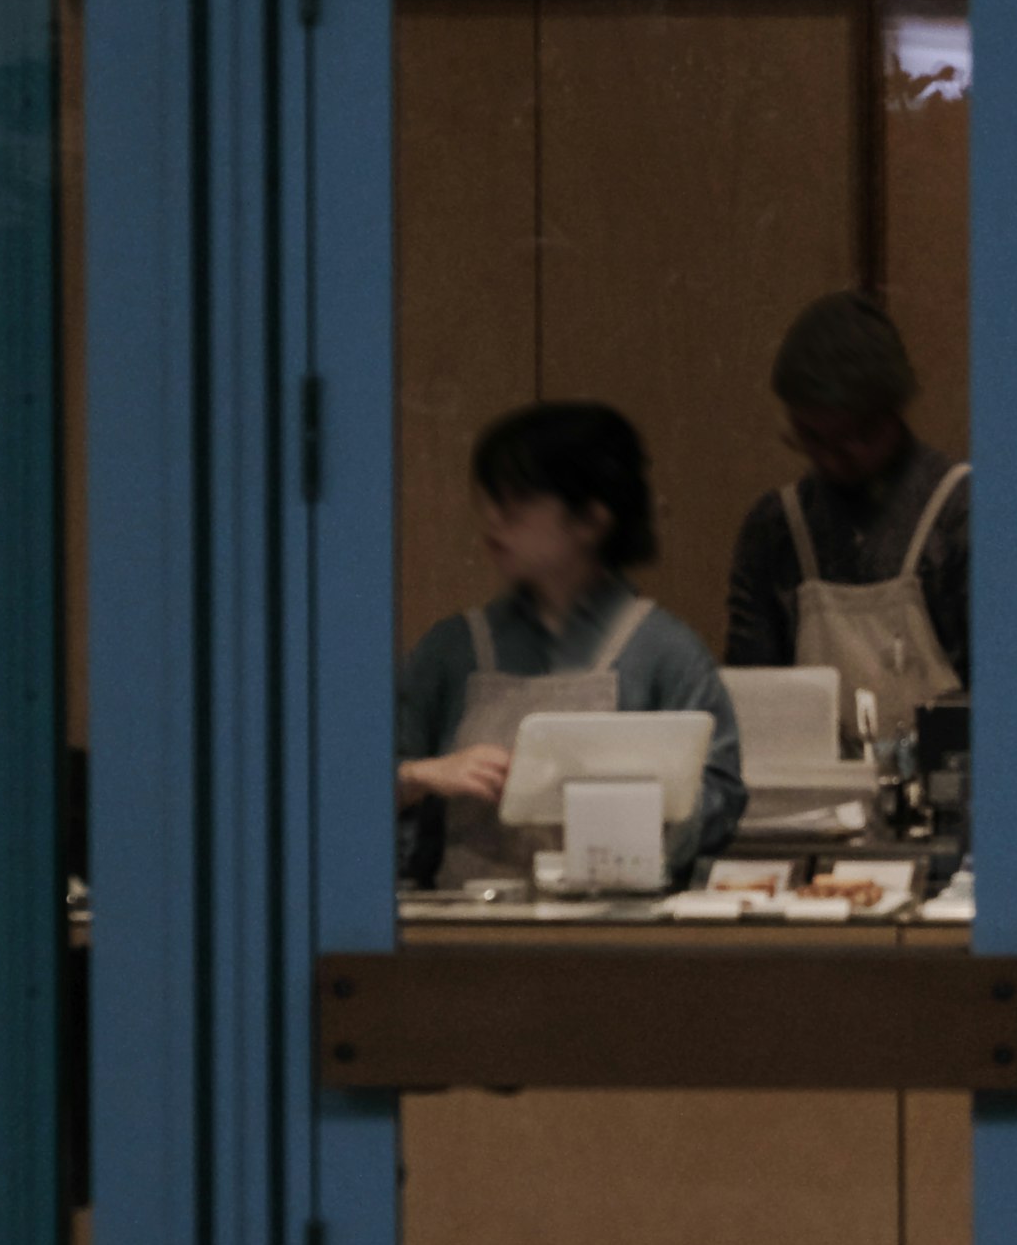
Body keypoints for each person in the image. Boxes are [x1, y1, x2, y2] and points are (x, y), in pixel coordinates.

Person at [398, 401, 745, 888]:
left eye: (515, 501)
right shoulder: (451, 650)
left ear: (590, 519)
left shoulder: (665, 651)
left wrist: (643, 814)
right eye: (489, 500)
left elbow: (722, 796)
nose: (493, 519)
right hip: (464, 930)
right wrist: (419, 776)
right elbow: (357, 793)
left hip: (616, 935)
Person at [723, 290, 969, 738]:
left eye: (858, 436)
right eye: (816, 440)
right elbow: (753, 700)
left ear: (894, 411)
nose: (837, 459)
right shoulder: (776, 528)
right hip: (810, 791)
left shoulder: (962, 516)